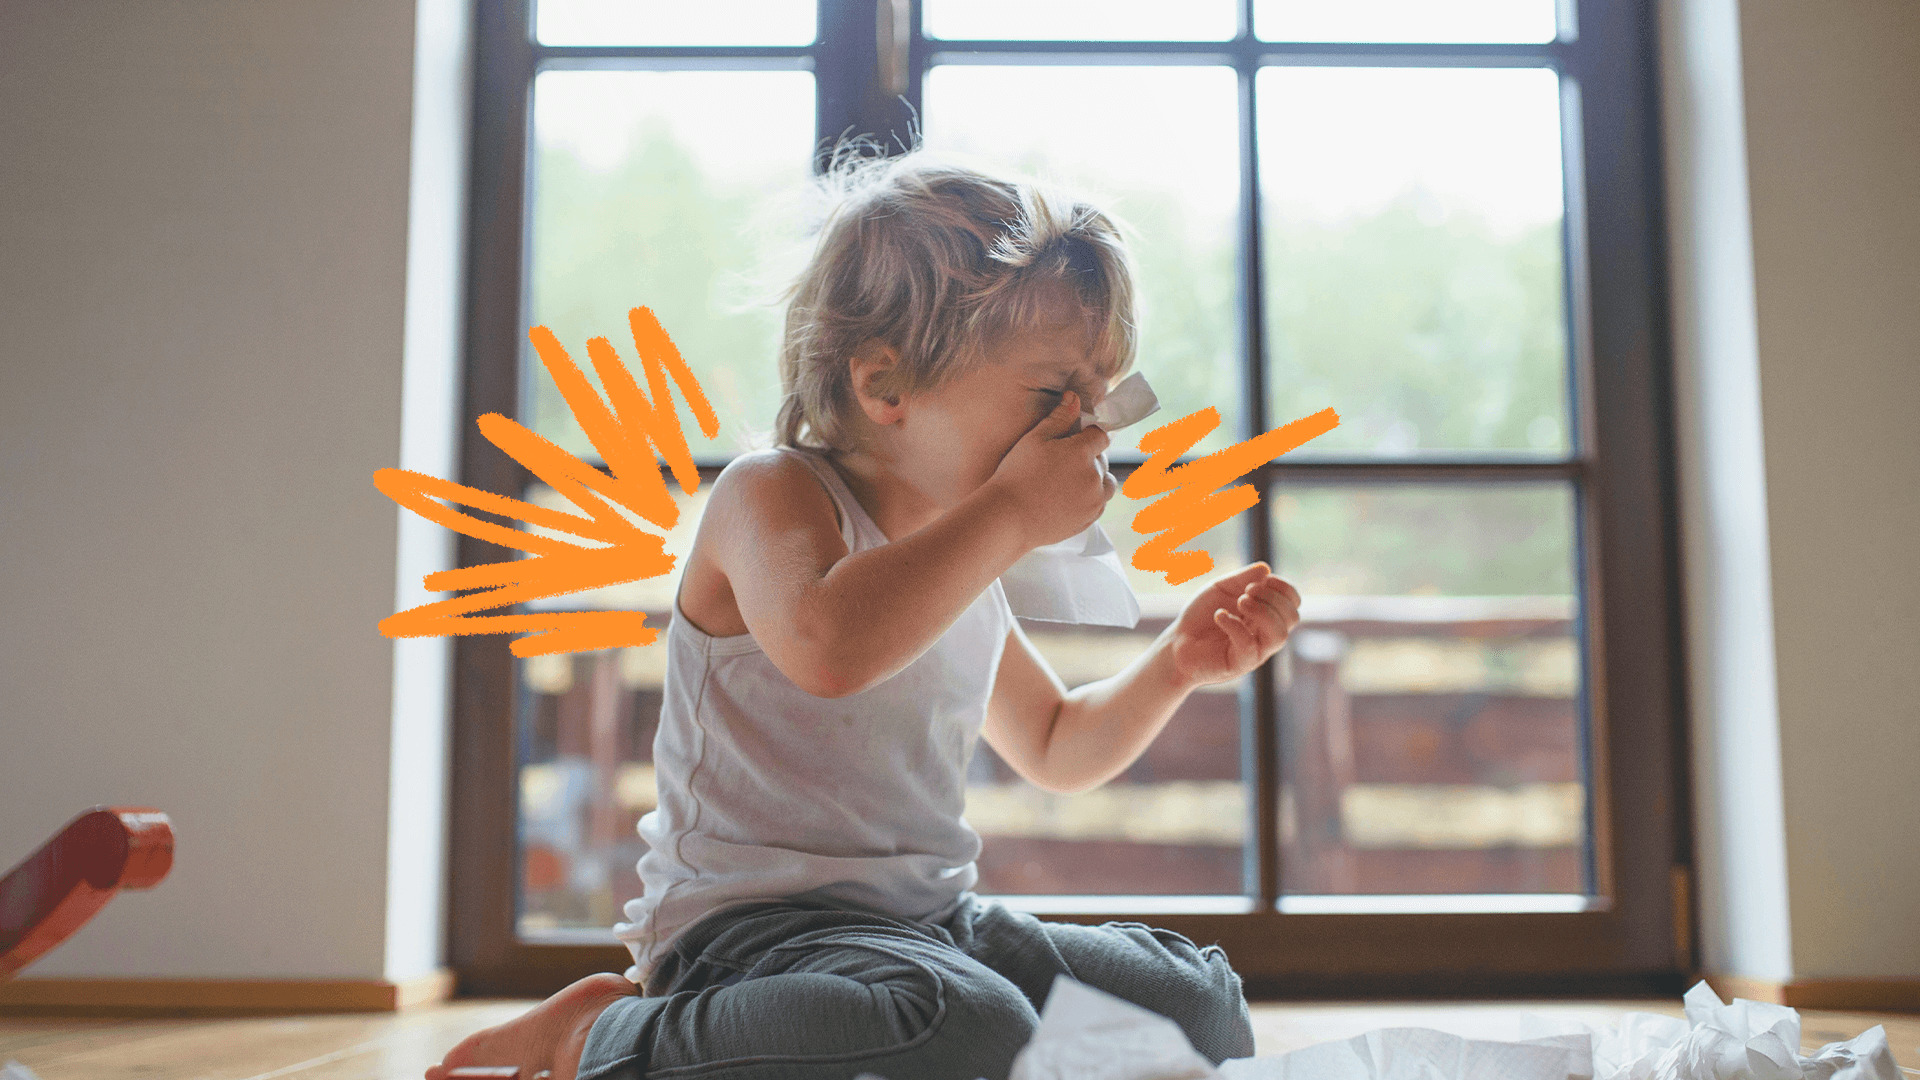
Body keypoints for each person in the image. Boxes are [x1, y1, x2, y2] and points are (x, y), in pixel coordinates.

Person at [428, 149, 1301, 1080]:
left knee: (1197, 1007)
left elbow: (1054, 743)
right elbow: (830, 648)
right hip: (750, 933)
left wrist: (1176, 664)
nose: (1087, 426)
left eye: (1097, 392)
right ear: (884, 386)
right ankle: (603, 1036)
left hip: (930, 923)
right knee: (964, 1028)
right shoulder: (772, 495)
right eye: (1054, 394)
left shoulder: (963, 558)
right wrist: (1007, 514)